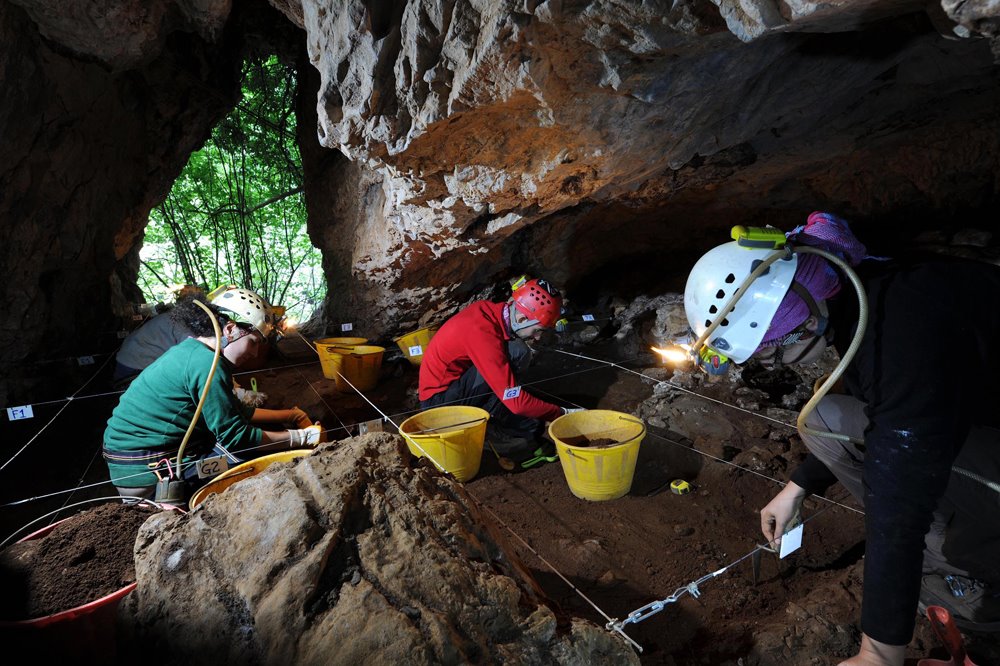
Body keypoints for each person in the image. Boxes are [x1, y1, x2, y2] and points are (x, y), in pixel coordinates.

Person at [684, 212, 1000, 666]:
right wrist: (797, 487)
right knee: (824, 417)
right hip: (975, 424)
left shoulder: (902, 332)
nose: (774, 366)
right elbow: (874, 418)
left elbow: (900, 492)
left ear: (802, 318)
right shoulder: (866, 298)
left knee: (901, 485)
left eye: (773, 352)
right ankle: (945, 551)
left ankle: (979, 572)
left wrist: (878, 651)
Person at [103, 296, 324, 501]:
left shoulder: (192, 350)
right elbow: (238, 438)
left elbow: (235, 410)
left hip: (131, 464)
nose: (255, 353)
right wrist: (301, 438)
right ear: (230, 329)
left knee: (251, 437)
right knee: (251, 462)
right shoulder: (208, 364)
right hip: (149, 474)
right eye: (254, 342)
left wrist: (291, 415)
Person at [418, 277, 581, 462]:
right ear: (521, 318)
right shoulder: (482, 334)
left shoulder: (490, 311)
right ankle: (490, 431)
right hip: (438, 404)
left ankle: (493, 410)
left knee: (516, 351)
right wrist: (562, 413)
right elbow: (517, 403)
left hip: (453, 384)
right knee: (515, 356)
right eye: (538, 330)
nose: (537, 338)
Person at [112, 285, 205, 386]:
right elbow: (194, 347)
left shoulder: (170, 316)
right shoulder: (179, 321)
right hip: (136, 366)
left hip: (126, 360)